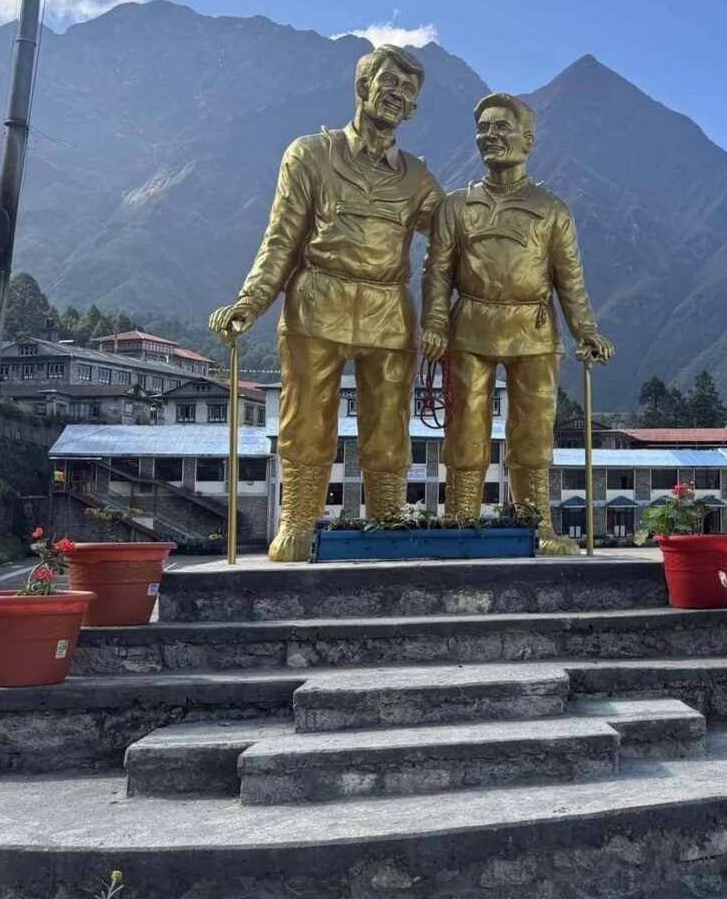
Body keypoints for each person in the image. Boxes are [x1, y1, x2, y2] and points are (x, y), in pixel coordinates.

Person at [209, 44, 443, 561]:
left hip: (388, 309)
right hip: (317, 300)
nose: (396, 96)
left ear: (412, 110)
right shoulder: (310, 154)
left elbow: (451, 242)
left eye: (408, 92)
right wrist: (250, 302)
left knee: (389, 425)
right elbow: (281, 239)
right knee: (307, 420)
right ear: (363, 87)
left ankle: (386, 522)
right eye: (389, 83)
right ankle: (297, 521)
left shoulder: (419, 178)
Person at [425, 93, 613, 554]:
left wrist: (585, 331)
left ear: (528, 140)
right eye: (483, 129)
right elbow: (436, 271)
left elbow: (570, 280)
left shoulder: (552, 209)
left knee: (533, 431)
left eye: (501, 128)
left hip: (534, 328)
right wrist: (433, 322)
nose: (490, 137)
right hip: (469, 324)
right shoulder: (455, 205)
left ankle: (536, 527)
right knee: (465, 427)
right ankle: (461, 519)